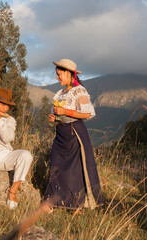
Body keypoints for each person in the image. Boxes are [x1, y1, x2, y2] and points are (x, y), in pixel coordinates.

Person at [44, 58, 103, 212]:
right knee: (55, 166)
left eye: (60, 75)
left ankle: (75, 204)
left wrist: (66, 112)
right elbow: (57, 114)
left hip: (75, 132)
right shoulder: (59, 94)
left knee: (74, 171)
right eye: (56, 74)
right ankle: (52, 201)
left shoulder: (79, 91)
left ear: (70, 74)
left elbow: (89, 113)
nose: (57, 78)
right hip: (61, 134)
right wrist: (54, 118)